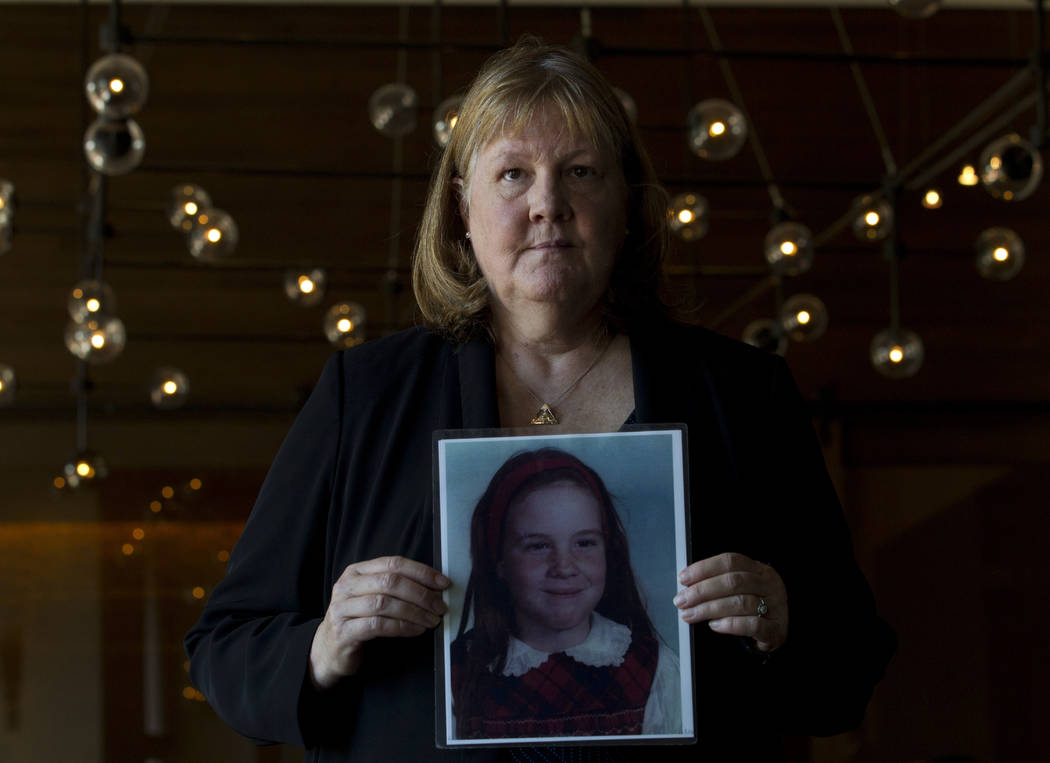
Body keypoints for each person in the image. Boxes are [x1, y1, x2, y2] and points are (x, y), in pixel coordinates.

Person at [185, 36, 895, 762]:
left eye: (580, 171)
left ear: (625, 205)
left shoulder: (744, 395)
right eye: (513, 174)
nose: (547, 205)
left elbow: (851, 665)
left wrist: (783, 619)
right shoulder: (363, 395)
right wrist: (326, 642)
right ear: (464, 209)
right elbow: (224, 646)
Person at [450, 448, 681, 740]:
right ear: (500, 563)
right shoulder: (457, 673)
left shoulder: (654, 668)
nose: (564, 567)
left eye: (584, 543)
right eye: (537, 546)